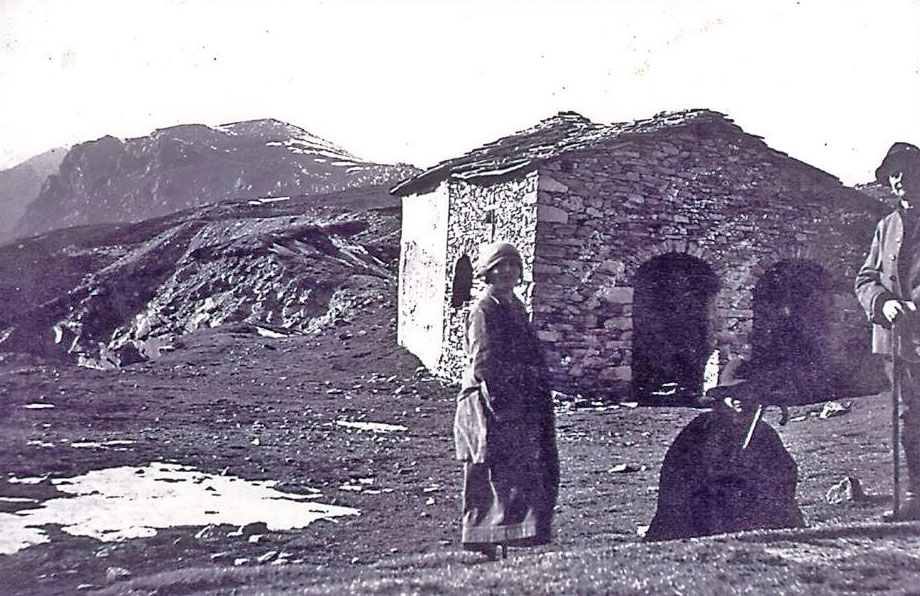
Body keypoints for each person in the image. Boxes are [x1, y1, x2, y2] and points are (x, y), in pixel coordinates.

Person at [453, 241, 559, 559]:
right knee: (490, 472)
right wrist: (503, 406)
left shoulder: (513, 304)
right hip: (490, 402)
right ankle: (484, 540)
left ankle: (506, 539)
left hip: (518, 400)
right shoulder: (484, 309)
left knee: (516, 471)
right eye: (500, 267)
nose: (508, 272)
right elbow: (485, 362)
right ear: (488, 272)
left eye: (513, 266)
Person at [855, 141, 920, 520]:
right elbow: (865, 277)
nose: (900, 182)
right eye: (894, 176)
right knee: (909, 417)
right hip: (898, 341)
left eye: (908, 173)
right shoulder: (887, 226)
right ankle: (914, 500)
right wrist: (883, 302)